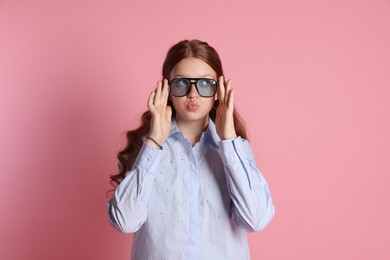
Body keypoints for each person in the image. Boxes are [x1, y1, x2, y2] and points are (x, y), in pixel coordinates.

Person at [107, 39, 275, 259]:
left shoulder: (236, 149)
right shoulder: (144, 148)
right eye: (181, 83)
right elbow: (125, 221)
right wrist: (154, 142)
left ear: (218, 90)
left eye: (205, 83)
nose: (193, 94)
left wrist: (229, 141)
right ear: (166, 88)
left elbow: (256, 219)